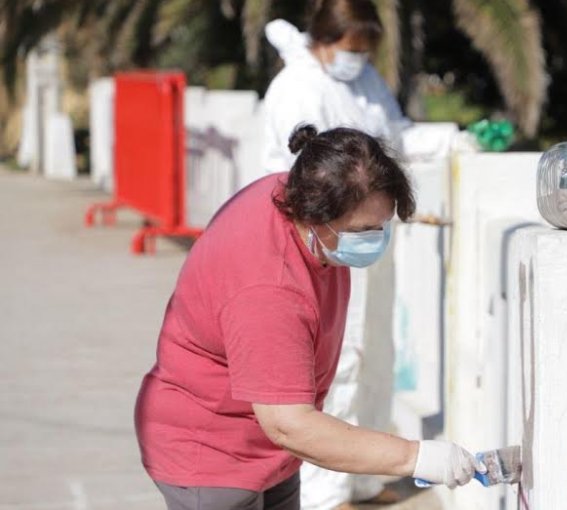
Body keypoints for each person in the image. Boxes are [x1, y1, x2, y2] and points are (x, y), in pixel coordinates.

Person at [135, 125, 482, 510]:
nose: (374, 238)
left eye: (381, 225)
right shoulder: (268, 288)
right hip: (213, 455)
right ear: (314, 215)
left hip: (271, 450)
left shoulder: (293, 194)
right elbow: (289, 424)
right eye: (361, 231)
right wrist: (416, 457)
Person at [260, 2, 412, 508]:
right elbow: (306, 172)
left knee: (375, 354)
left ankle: (365, 477)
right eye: (351, 49)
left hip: (364, 232)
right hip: (327, 237)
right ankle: (326, 491)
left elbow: (397, 134)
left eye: (366, 50)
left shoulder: (365, 80)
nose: (359, 59)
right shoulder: (297, 88)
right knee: (338, 359)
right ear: (324, 40)